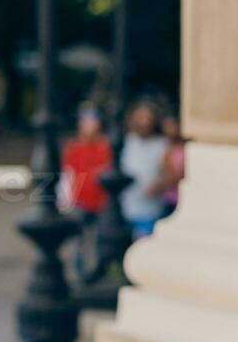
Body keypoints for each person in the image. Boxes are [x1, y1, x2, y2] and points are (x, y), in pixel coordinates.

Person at [60, 106, 111, 274]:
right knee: (77, 242)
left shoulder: (106, 147)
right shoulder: (73, 147)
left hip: (101, 201)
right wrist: (64, 199)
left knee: (100, 240)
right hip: (79, 201)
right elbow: (67, 175)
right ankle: (79, 273)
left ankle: (97, 272)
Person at [119, 102, 169, 239]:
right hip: (127, 207)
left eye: (147, 119)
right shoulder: (128, 141)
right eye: (140, 118)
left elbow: (170, 175)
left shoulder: (161, 145)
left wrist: (157, 186)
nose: (144, 123)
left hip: (150, 210)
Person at [157, 114, 186, 218]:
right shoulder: (164, 146)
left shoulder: (185, 149)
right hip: (168, 199)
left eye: (171, 126)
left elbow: (177, 176)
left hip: (181, 199)